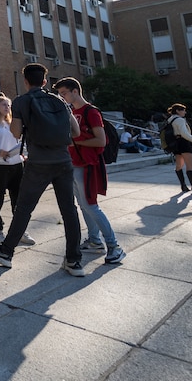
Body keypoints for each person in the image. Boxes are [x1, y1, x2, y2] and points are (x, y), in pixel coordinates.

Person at [0, 63, 85, 277]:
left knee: (24, 208)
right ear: (45, 81)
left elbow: (16, 133)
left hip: (39, 162)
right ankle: (74, 261)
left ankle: (6, 252)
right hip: (63, 161)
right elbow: (75, 132)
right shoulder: (59, 100)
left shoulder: (22, 101)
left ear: (26, 81)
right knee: (69, 210)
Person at [54, 77, 127, 265]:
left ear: (75, 91)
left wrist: (75, 141)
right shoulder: (72, 112)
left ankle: (114, 246)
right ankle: (95, 240)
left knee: (90, 205)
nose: (62, 97)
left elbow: (101, 141)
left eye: (64, 93)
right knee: (83, 204)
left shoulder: (91, 112)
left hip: (87, 165)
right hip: (74, 163)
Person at [0, 96, 35, 246]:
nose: (7, 107)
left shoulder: (13, 124)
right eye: (4, 104)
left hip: (17, 164)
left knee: (19, 199)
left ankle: (20, 230)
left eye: (9, 105)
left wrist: (24, 154)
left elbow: (22, 141)